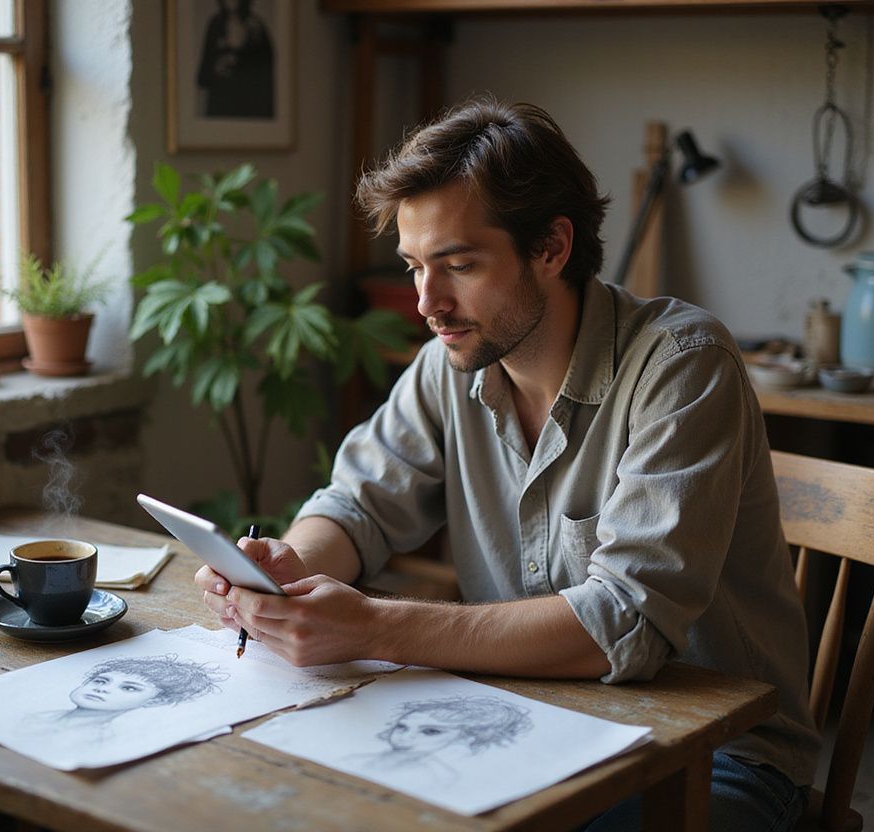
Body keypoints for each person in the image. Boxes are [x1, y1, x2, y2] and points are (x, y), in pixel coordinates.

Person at [196, 96, 818, 830]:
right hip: (524, 718)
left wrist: (370, 626)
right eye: (414, 266)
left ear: (551, 248)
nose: (428, 302)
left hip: (717, 758)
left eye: (457, 264)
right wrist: (288, 570)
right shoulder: (447, 365)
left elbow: (624, 622)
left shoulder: (683, 365)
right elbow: (355, 507)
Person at [27, 655, 227, 742]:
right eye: (101, 681)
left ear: (156, 701)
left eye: (129, 688)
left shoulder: (99, 740)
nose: (102, 690)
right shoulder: (38, 717)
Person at [345, 696, 533, 786]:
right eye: (402, 726)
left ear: (466, 737)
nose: (406, 736)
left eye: (431, 731)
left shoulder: (438, 778)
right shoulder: (354, 760)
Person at [196, 0, 274, 119]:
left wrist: (242, 59)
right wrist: (216, 68)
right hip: (220, 112)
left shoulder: (257, 27)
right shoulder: (215, 25)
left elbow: (267, 76)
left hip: (249, 112)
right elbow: (202, 77)